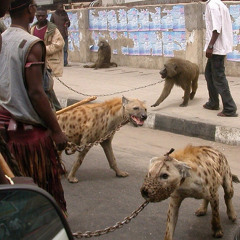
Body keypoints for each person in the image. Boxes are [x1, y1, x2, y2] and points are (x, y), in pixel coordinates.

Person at [0, 0, 68, 213]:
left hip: (5, 129)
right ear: (30, 9)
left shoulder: (3, 38)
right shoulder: (31, 43)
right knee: (41, 188)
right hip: (28, 136)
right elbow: (37, 93)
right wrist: (57, 131)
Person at [203, 0, 237, 117]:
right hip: (218, 48)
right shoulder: (219, 4)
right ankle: (213, 102)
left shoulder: (212, 5)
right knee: (208, 74)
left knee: (219, 78)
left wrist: (211, 46)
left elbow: (217, 29)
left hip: (216, 48)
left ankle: (229, 108)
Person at [31, 7, 64, 111]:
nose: (40, 18)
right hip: (36, 62)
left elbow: (59, 44)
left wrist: (43, 50)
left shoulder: (52, 29)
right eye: (38, 16)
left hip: (48, 62)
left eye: (42, 16)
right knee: (42, 87)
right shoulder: (33, 28)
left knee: (47, 86)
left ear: (46, 16)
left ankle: (57, 110)